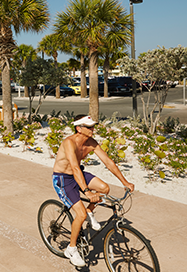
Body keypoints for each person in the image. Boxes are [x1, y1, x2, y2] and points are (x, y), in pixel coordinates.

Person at [52, 114, 134, 267]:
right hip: (63, 178)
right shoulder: (69, 143)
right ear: (78, 128)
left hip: (78, 174)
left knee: (104, 188)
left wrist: (125, 182)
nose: (92, 129)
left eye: (92, 126)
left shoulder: (91, 143)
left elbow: (108, 162)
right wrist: (87, 192)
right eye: (88, 127)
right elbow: (74, 167)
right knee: (80, 214)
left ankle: (90, 212)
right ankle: (71, 249)